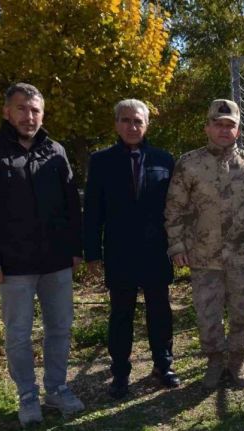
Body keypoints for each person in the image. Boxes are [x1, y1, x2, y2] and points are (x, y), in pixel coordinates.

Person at [0, 83, 84, 426]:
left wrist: (75, 249)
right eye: (21, 109)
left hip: (56, 261)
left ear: (42, 114)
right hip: (12, 263)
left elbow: (70, 207)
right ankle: (28, 396)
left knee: (60, 328)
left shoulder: (55, 151)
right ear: (7, 112)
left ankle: (57, 389)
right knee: (18, 333)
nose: (28, 116)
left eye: (34, 110)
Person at [165, 99, 244, 389]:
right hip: (203, 255)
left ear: (238, 131)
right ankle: (214, 362)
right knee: (207, 313)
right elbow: (174, 208)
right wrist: (176, 247)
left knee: (243, 311)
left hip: (242, 255)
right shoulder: (189, 164)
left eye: (230, 125)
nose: (224, 130)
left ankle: (237, 362)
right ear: (207, 127)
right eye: (218, 124)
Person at [83, 99, 179, 399]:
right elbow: (93, 211)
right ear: (116, 124)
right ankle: (120, 373)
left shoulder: (164, 160)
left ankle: (163, 365)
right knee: (121, 313)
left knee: (160, 311)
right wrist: (92, 253)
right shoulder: (101, 161)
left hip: (156, 251)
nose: (132, 126)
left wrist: (177, 245)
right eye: (126, 120)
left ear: (147, 124)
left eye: (138, 121)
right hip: (119, 252)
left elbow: (175, 209)